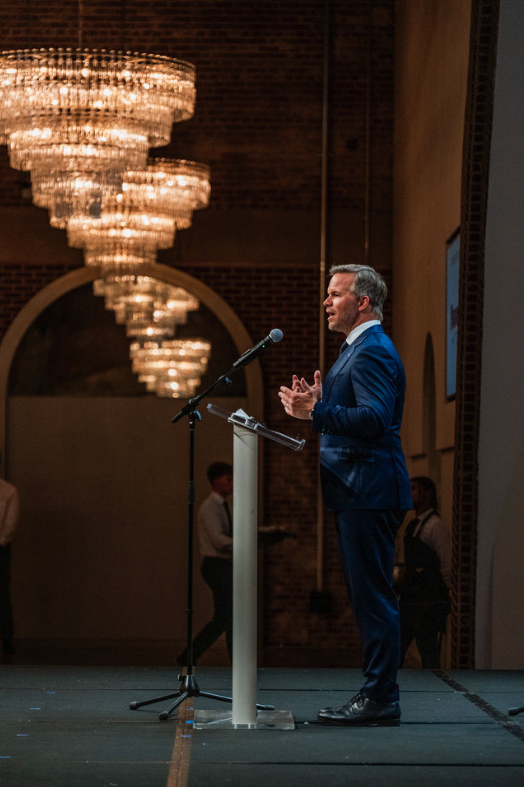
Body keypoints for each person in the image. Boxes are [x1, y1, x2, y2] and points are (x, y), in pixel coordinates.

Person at [279, 263, 412, 726]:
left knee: (373, 598)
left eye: (335, 294)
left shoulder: (371, 350)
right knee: (367, 596)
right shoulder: (356, 349)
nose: (326, 302)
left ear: (363, 302)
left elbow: (375, 420)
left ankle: (380, 698)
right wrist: (318, 403)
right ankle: (377, 694)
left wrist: (319, 409)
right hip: (358, 490)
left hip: (368, 490)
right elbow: (348, 411)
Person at [177, 461, 233, 666]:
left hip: (222, 565)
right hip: (216, 565)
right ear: (216, 481)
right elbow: (218, 541)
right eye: (228, 479)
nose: (232, 484)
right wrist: (244, 543)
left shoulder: (223, 506)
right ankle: (235, 661)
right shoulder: (210, 508)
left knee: (222, 618)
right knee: (227, 617)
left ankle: (188, 656)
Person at [397, 477, 451, 669]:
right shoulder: (413, 525)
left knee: (428, 652)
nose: (408, 494)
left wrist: (449, 593)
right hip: (411, 596)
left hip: (428, 599)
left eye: (413, 489)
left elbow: (446, 562)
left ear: (427, 493)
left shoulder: (435, 526)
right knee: (398, 649)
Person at [0, 469, 19, 664]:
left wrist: (2, 539)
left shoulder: (8, 490)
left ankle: (7, 639)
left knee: (2, 593)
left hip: (0, 547)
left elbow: (11, 523)